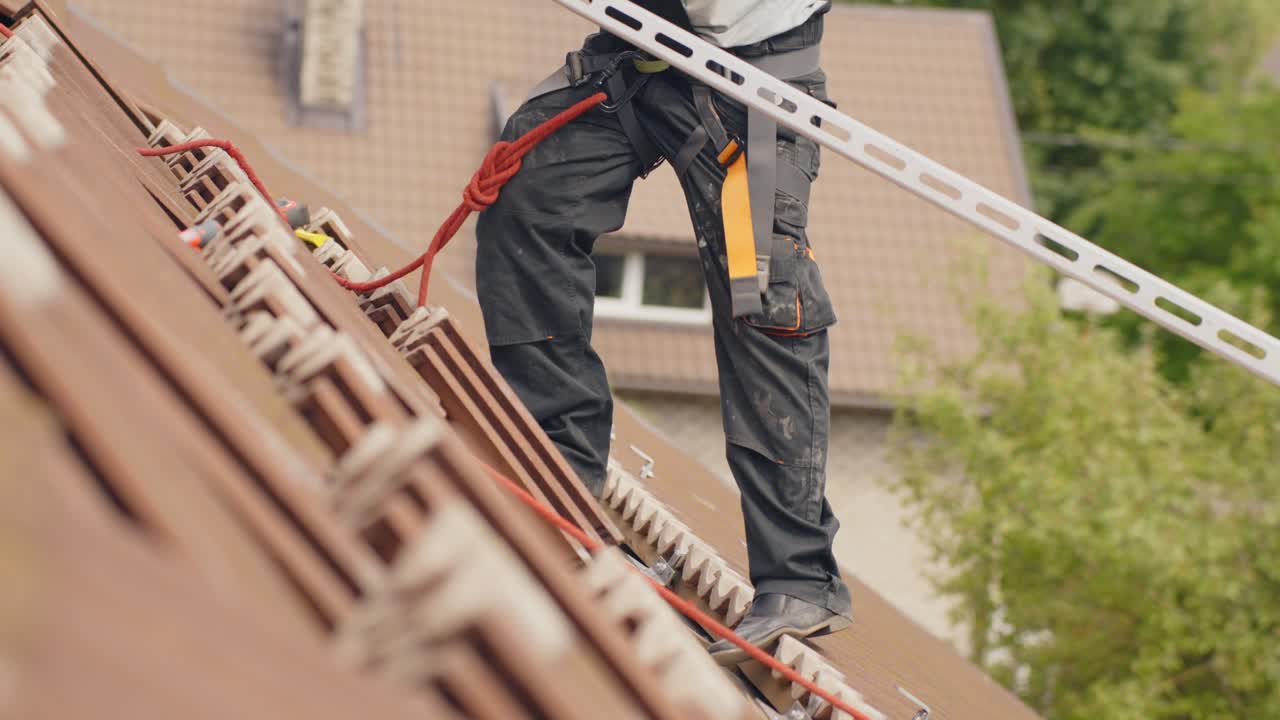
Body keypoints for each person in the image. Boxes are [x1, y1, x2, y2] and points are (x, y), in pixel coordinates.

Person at [475, 0, 851, 664]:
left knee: (761, 289)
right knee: (529, 197)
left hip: (750, 68)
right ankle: (560, 465)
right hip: (643, 51)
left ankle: (798, 578)